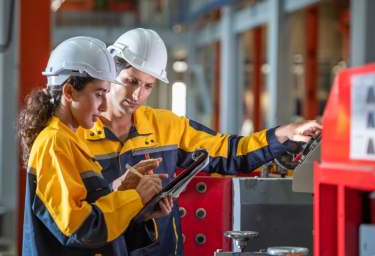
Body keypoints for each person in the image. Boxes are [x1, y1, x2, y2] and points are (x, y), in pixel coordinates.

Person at [77, 29, 322, 256]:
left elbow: (230, 152)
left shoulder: (168, 127)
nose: (137, 95)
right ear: (110, 73)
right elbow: (67, 215)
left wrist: (282, 134)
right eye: (131, 81)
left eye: (148, 85)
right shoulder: (76, 136)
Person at [17, 36, 174, 256]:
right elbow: (80, 229)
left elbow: (91, 211)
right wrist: (134, 197)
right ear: (69, 92)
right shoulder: (54, 143)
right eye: (99, 94)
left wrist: (137, 209)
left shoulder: (72, 140)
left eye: (106, 94)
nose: (103, 106)